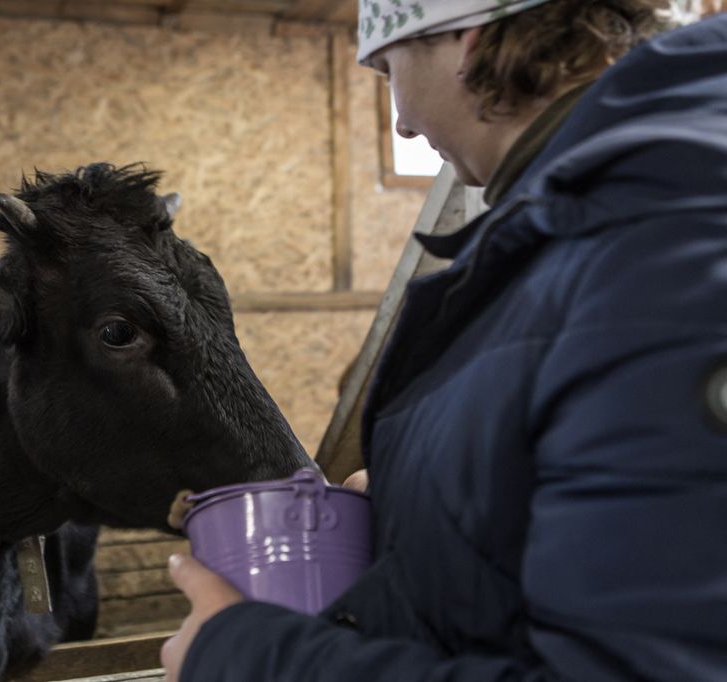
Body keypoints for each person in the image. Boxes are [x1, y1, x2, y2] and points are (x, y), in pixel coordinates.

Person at [161, 1, 727, 679]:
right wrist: (416, 514)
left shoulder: (656, 247)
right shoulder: (582, 226)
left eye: (390, 68)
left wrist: (247, 658)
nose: (399, 118)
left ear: (469, 37)